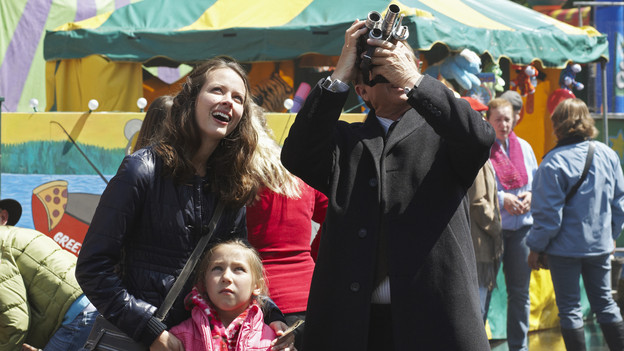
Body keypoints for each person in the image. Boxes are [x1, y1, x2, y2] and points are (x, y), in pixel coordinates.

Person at [280, 19, 494, 350]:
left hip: (434, 323)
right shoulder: (346, 142)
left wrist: (413, 80)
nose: (391, 70)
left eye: (398, 60)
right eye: (379, 68)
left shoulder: (443, 134)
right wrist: (341, 73)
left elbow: (479, 138)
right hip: (355, 325)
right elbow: (297, 155)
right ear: (362, 90)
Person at [76, 57, 293, 351]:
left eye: (238, 98)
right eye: (217, 90)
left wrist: (271, 315)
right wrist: (149, 329)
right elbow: (93, 267)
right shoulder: (141, 170)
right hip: (133, 339)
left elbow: (241, 267)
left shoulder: (231, 184)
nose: (228, 101)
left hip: (195, 342)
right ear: (191, 99)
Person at [527, 98, 624, 351]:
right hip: (600, 246)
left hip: (564, 250)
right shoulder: (608, 154)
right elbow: (619, 204)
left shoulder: (553, 162)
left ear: (557, 124)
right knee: (605, 304)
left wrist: (535, 248)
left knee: (570, 310)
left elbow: (548, 217)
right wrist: (611, 236)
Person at [246, 104, 328, 350]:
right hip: (311, 295)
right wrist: (314, 254)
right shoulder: (298, 172)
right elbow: (336, 215)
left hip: (259, 302)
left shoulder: (236, 177)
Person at [0, 200, 97, 351]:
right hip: (92, 304)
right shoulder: (21, 235)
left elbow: (15, 323)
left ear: (3, 216)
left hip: (77, 316)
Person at [486, 97, 538, 351]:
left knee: (520, 294)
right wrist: (501, 198)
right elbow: (476, 191)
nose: (504, 124)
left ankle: (520, 347)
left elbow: (536, 184)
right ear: (488, 120)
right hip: (492, 232)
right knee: (482, 292)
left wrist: (531, 196)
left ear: (515, 119)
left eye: (508, 119)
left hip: (521, 233)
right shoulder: (482, 149)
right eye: (498, 119)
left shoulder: (525, 148)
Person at [170, 239, 277, 351]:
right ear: (204, 283)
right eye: (217, 268)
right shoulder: (181, 337)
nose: (226, 277)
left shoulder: (274, 342)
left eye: (239, 269)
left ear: (257, 286)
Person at [464, 100, 503, 323]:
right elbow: (478, 202)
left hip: (481, 244)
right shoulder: (474, 157)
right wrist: (497, 229)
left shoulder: (479, 154)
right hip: (479, 245)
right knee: (477, 314)